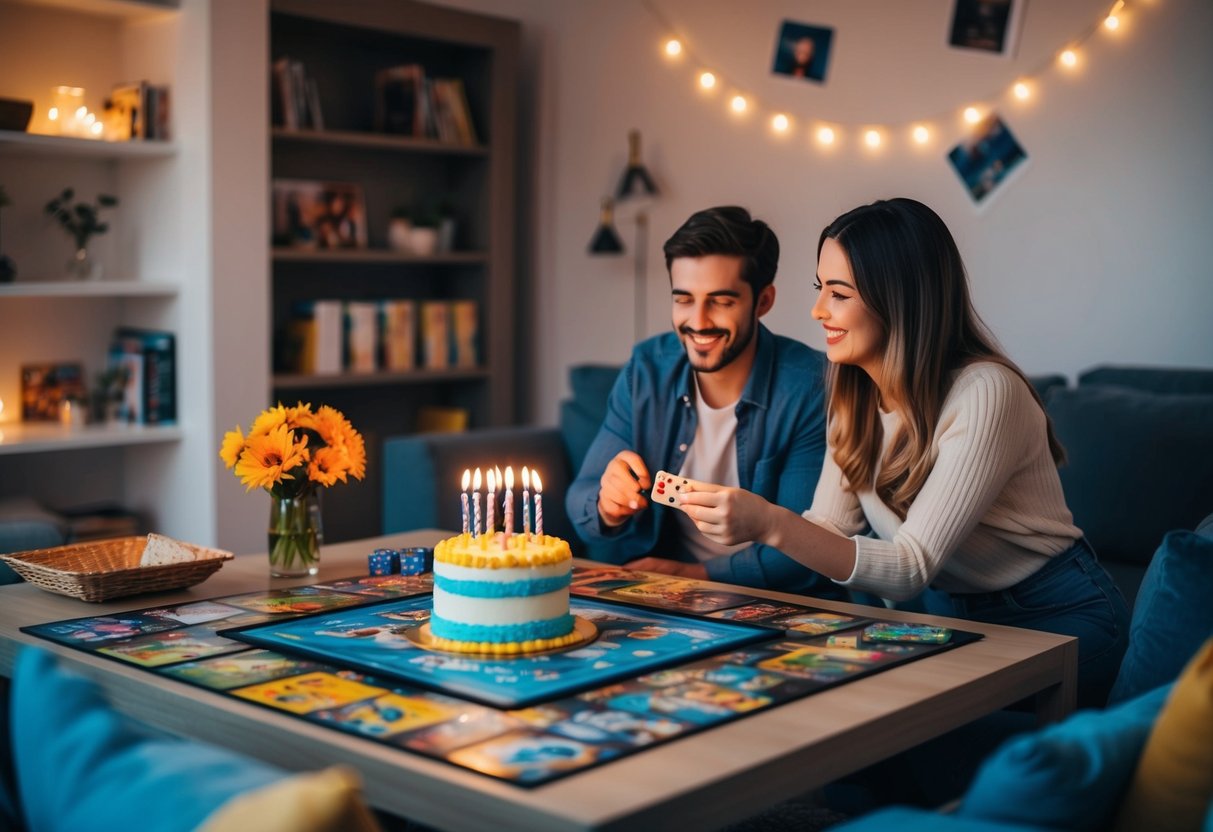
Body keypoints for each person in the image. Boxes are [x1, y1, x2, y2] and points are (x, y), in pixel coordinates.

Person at [679, 197, 1130, 708]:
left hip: (1054, 615)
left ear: (898, 301)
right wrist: (762, 522)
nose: (818, 310)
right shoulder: (855, 396)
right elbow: (828, 529)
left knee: (911, 735)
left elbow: (911, 567)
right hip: (952, 613)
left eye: (839, 293)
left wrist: (769, 523)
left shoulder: (986, 393)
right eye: (819, 288)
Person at [566, 205, 842, 598]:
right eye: (684, 299)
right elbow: (581, 501)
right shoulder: (647, 370)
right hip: (664, 595)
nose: (698, 321)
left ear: (763, 301)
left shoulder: (811, 386)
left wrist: (695, 573)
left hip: (780, 603)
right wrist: (607, 505)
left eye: (721, 301)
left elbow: (808, 549)